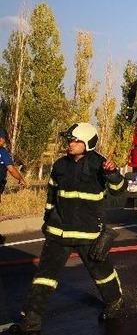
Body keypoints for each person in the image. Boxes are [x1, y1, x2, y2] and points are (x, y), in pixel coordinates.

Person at [7, 123, 127, 334]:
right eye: (69, 140)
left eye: (74, 141)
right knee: (44, 277)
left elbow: (119, 191)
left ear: (87, 143)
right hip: (58, 232)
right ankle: (30, 323)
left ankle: (115, 302)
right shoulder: (60, 165)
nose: (69, 144)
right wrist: (47, 219)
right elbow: (51, 196)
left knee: (101, 273)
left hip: (88, 233)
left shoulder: (101, 165)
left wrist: (114, 174)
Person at [0, 128, 27, 202]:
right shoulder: (2, 151)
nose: (5, 141)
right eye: (4, 138)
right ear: (1, 138)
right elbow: (11, 169)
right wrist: (20, 179)